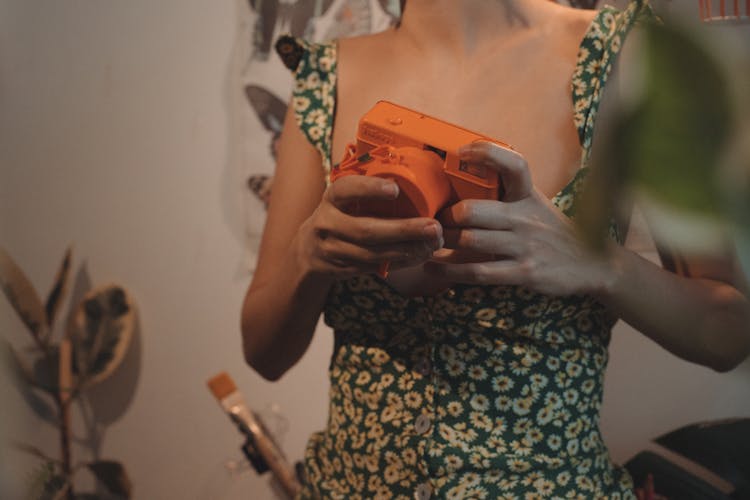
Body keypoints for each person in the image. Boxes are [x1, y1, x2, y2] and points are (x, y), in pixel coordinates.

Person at [240, 0, 750, 498]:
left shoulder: (625, 57)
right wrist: (310, 256)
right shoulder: (324, 76)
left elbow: (729, 334)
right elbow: (264, 353)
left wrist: (600, 265)